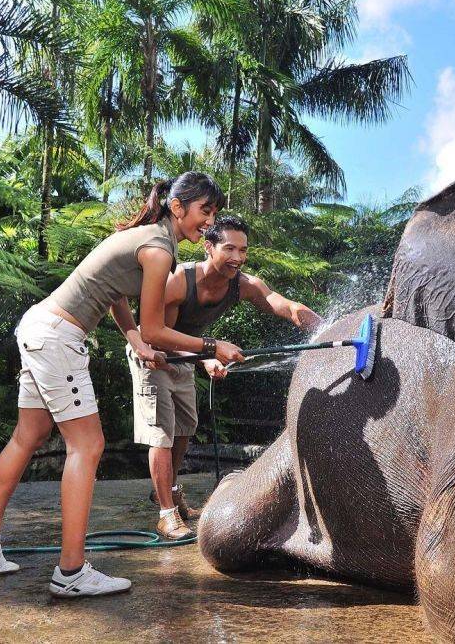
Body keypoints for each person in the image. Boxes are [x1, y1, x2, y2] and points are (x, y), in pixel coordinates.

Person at [0, 172, 245, 598]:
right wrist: (211, 345)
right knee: (87, 446)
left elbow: (115, 295)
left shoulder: (147, 237)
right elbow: (155, 328)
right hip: (58, 337)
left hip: (40, 326)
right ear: (179, 207)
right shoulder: (158, 248)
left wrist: (134, 340)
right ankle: (71, 572)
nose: (210, 220)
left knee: (30, 434)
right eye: (206, 211)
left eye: (215, 212)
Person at [126, 215, 322, 540]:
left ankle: (170, 490)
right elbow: (154, 333)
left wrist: (320, 325)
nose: (237, 257)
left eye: (243, 250)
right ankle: (166, 514)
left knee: (185, 427)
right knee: (161, 432)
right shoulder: (178, 280)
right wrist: (209, 353)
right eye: (229, 248)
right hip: (152, 353)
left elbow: (281, 304)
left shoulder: (244, 284)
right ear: (208, 247)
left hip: (188, 353)